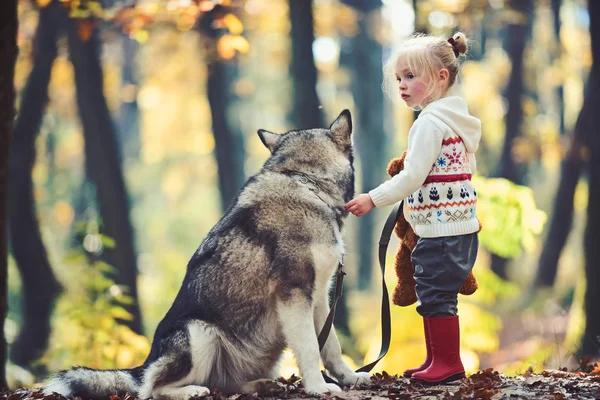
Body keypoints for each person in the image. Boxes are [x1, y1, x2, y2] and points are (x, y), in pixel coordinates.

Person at [344, 32, 481, 385]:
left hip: (440, 231)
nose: (402, 86)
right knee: (433, 291)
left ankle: (448, 363)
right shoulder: (456, 122)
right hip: (457, 226)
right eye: (399, 78)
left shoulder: (430, 123)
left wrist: (372, 198)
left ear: (441, 76)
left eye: (411, 77)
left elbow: (413, 176)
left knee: (435, 294)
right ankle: (436, 359)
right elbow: (463, 171)